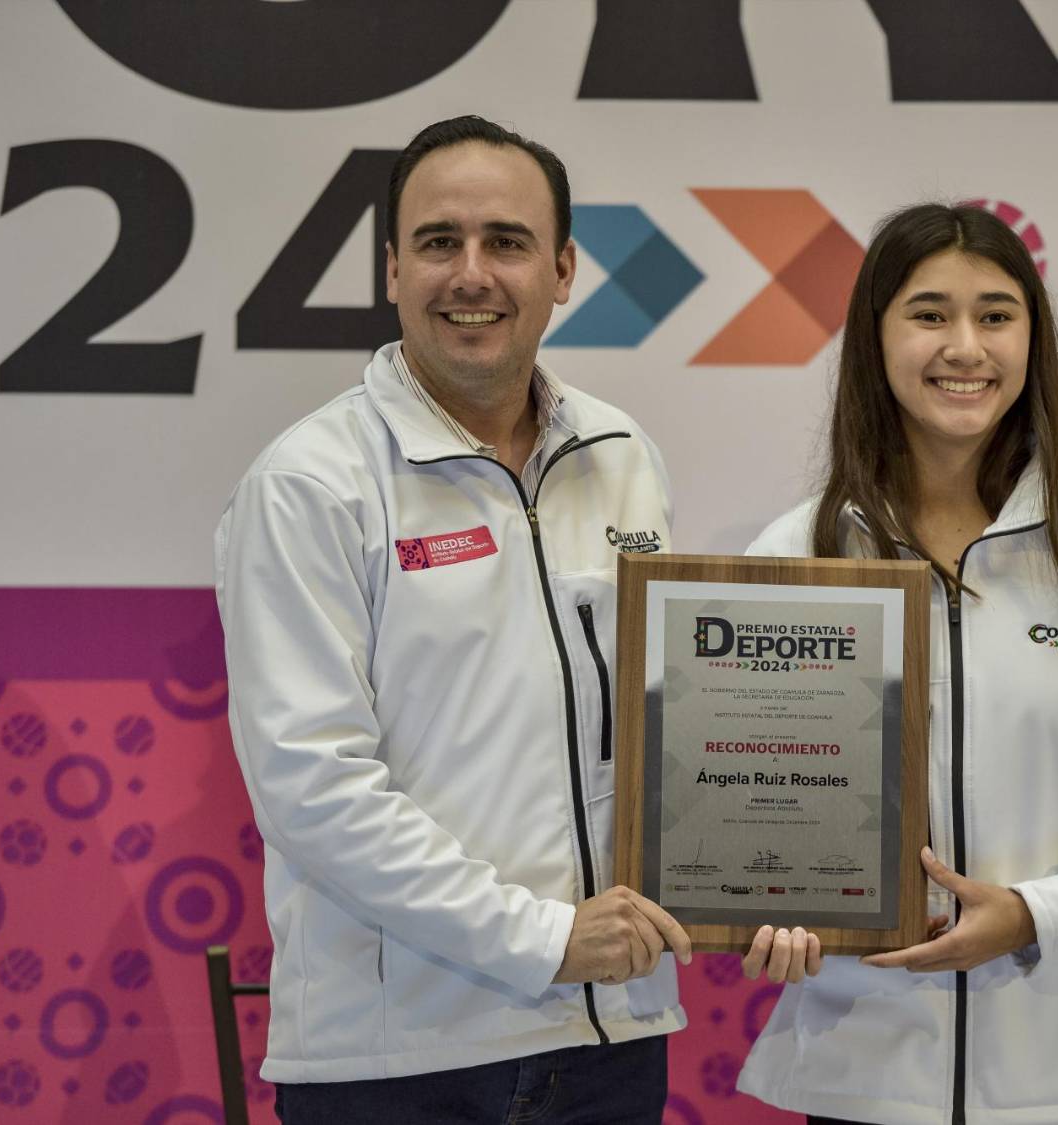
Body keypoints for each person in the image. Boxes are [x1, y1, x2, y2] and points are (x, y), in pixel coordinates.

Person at [735, 203, 1058, 1124]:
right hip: (864, 1079)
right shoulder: (796, 555)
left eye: (995, 314)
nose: (966, 346)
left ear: (1032, 336)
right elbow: (740, 798)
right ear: (877, 337)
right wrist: (756, 899)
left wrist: (1035, 914)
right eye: (930, 313)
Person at [215, 115, 691, 1124]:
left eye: (506, 242)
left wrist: (772, 882)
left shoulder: (621, 453)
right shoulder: (311, 483)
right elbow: (313, 787)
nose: (471, 273)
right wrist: (538, 939)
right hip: (401, 1059)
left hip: (610, 1037)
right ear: (391, 269)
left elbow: (667, 724)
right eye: (439, 242)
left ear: (562, 269)